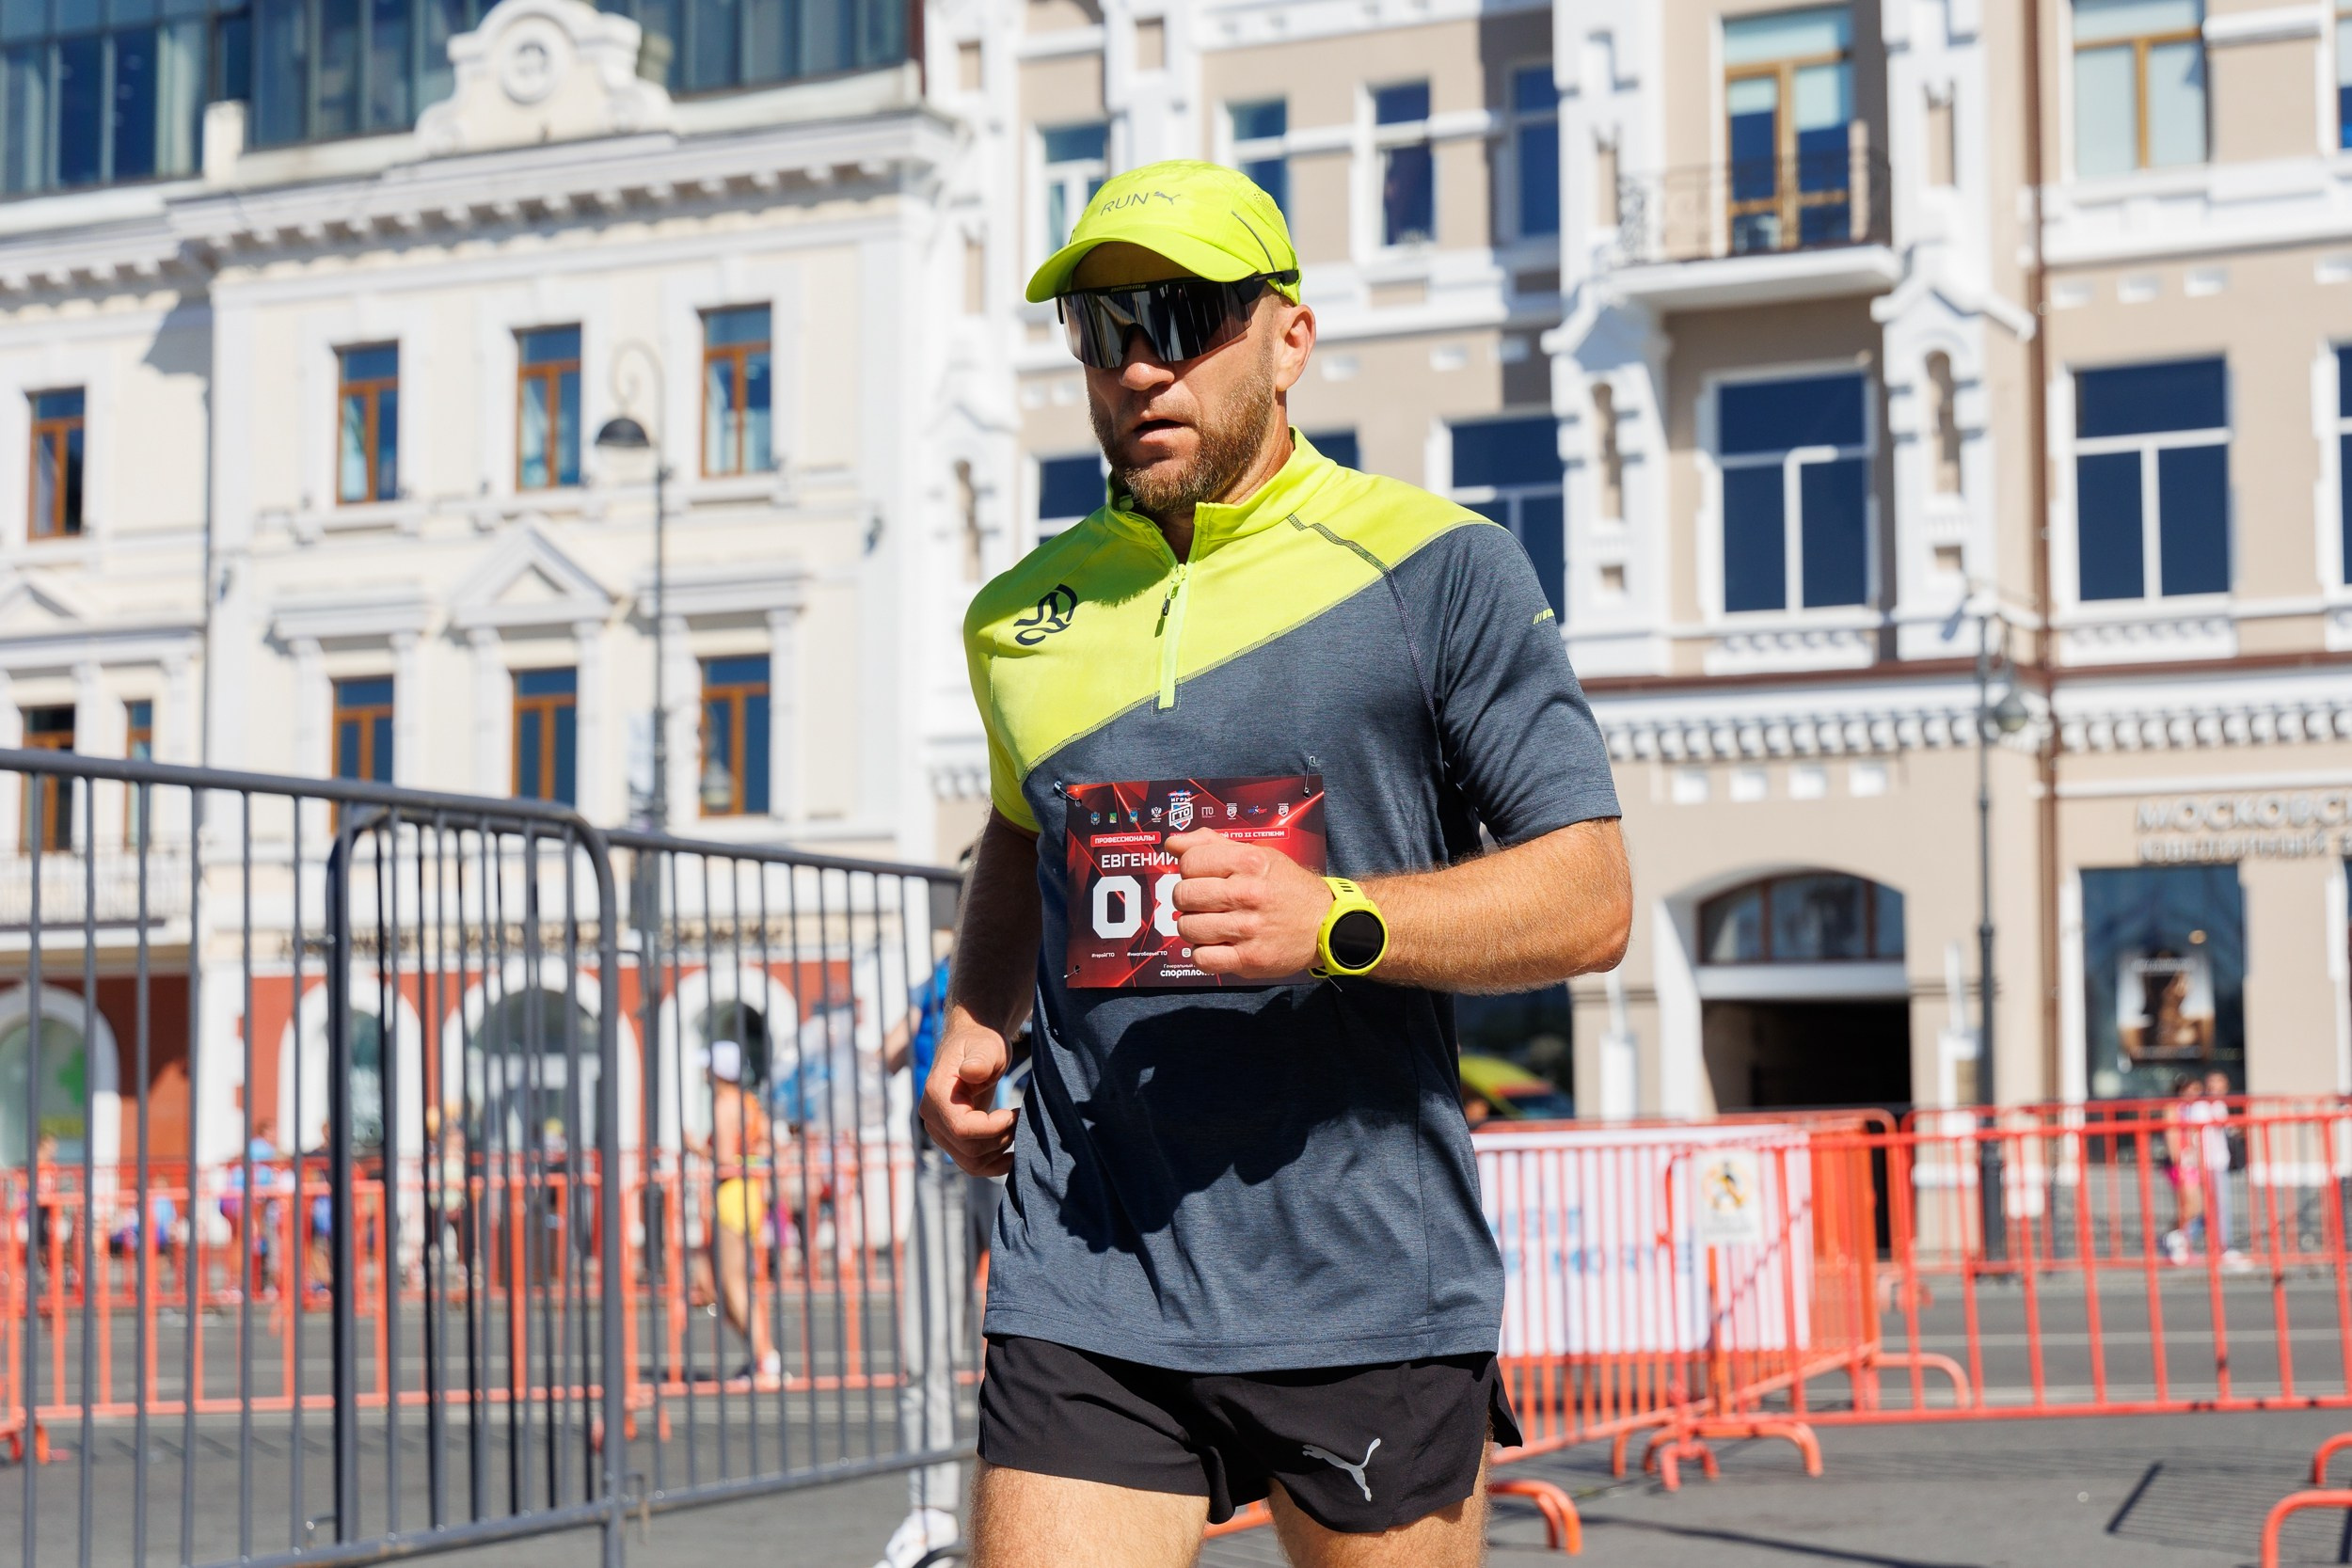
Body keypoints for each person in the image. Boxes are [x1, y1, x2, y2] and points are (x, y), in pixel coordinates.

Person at [931, 161, 1631, 1567]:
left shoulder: (1438, 568)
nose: (1138, 366)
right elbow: (1025, 819)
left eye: (1181, 317)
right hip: (1091, 1268)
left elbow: (1589, 893)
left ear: (1288, 336)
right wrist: (975, 1011)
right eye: (1101, 329)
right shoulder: (1021, 616)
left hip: (1362, 1273)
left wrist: (1341, 922)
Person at [874, 942, 972, 1568]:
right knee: (924, 1349)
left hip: (1019, 1144)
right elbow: (888, 1051)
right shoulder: (938, 974)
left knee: (1044, 1347)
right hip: (941, 1159)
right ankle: (931, 1513)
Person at [696, 1040, 780, 1388]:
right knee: (727, 1284)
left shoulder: (725, 1105)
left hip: (733, 1193)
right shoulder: (750, 1104)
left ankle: (765, 1359)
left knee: (731, 1285)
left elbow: (726, 1161)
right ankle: (761, 1357)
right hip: (751, 1192)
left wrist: (698, 1149)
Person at [2161, 1074, 2207, 1265]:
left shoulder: (2192, 1109)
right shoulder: (2173, 1108)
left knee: (2197, 1206)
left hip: (2192, 1161)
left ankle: (2179, 1240)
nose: (2193, 1094)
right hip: (2179, 1162)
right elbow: (2172, 1135)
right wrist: (2177, 1162)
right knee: (2188, 1205)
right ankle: (2174, 1240)